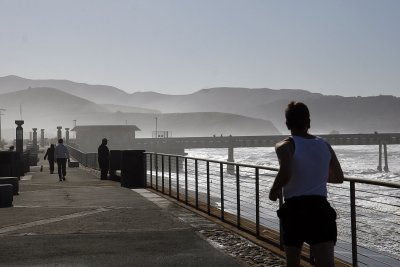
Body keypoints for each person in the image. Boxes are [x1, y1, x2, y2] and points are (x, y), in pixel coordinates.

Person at [269, 101, 344, 267]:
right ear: (308, 122)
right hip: (320, 209)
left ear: (287, 124)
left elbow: (286, 171)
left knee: (293, 261)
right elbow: (339, 177)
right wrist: (315, 175)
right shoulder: (325, 145)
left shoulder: (284, 145)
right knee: (326, 264)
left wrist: (274, 190)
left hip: (295, 209)